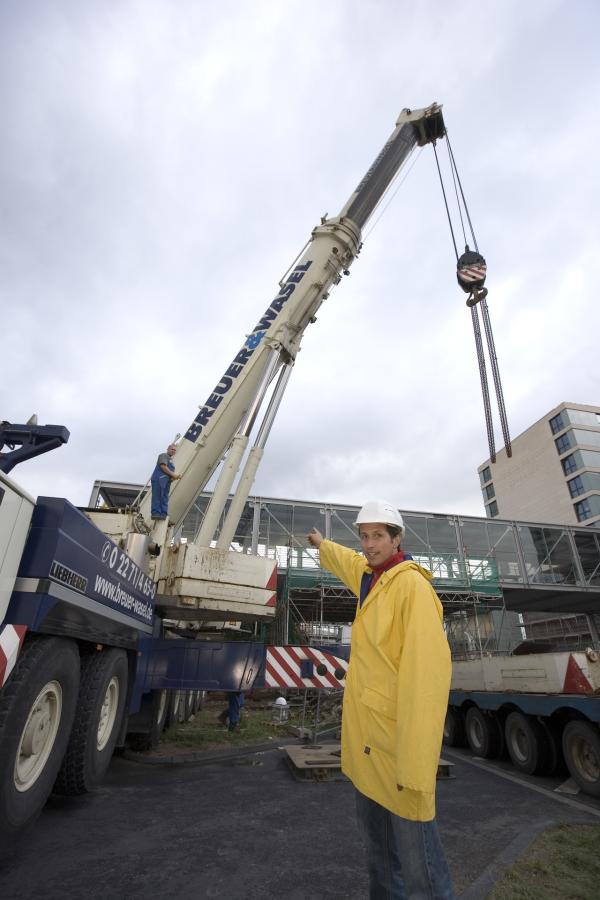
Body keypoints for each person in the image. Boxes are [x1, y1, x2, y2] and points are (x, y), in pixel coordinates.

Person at [307, 500, 454, 899]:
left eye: (377, 536)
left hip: (399, 749)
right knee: (381, 858)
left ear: (396, 539)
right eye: (364, 536)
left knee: (421, 869)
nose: (369, 544)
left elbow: (427, 680)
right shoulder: (371, 578)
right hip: (369, 745)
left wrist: (416, 763)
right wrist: (322, 544)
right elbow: (348, 561)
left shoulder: (412, 588)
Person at [150, 443, 180, 520]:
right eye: (172, 449)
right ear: (168, 449)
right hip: (159, 479)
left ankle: (163, 513)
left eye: (175, 450)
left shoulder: (171, 460)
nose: (173, 451)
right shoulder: (163, 455)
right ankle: (156, 513)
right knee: (158, 496)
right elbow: (163, 466)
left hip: (166, 481)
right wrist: (173, 475)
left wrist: (172, 478)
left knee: (164, 497)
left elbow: (168, 473)